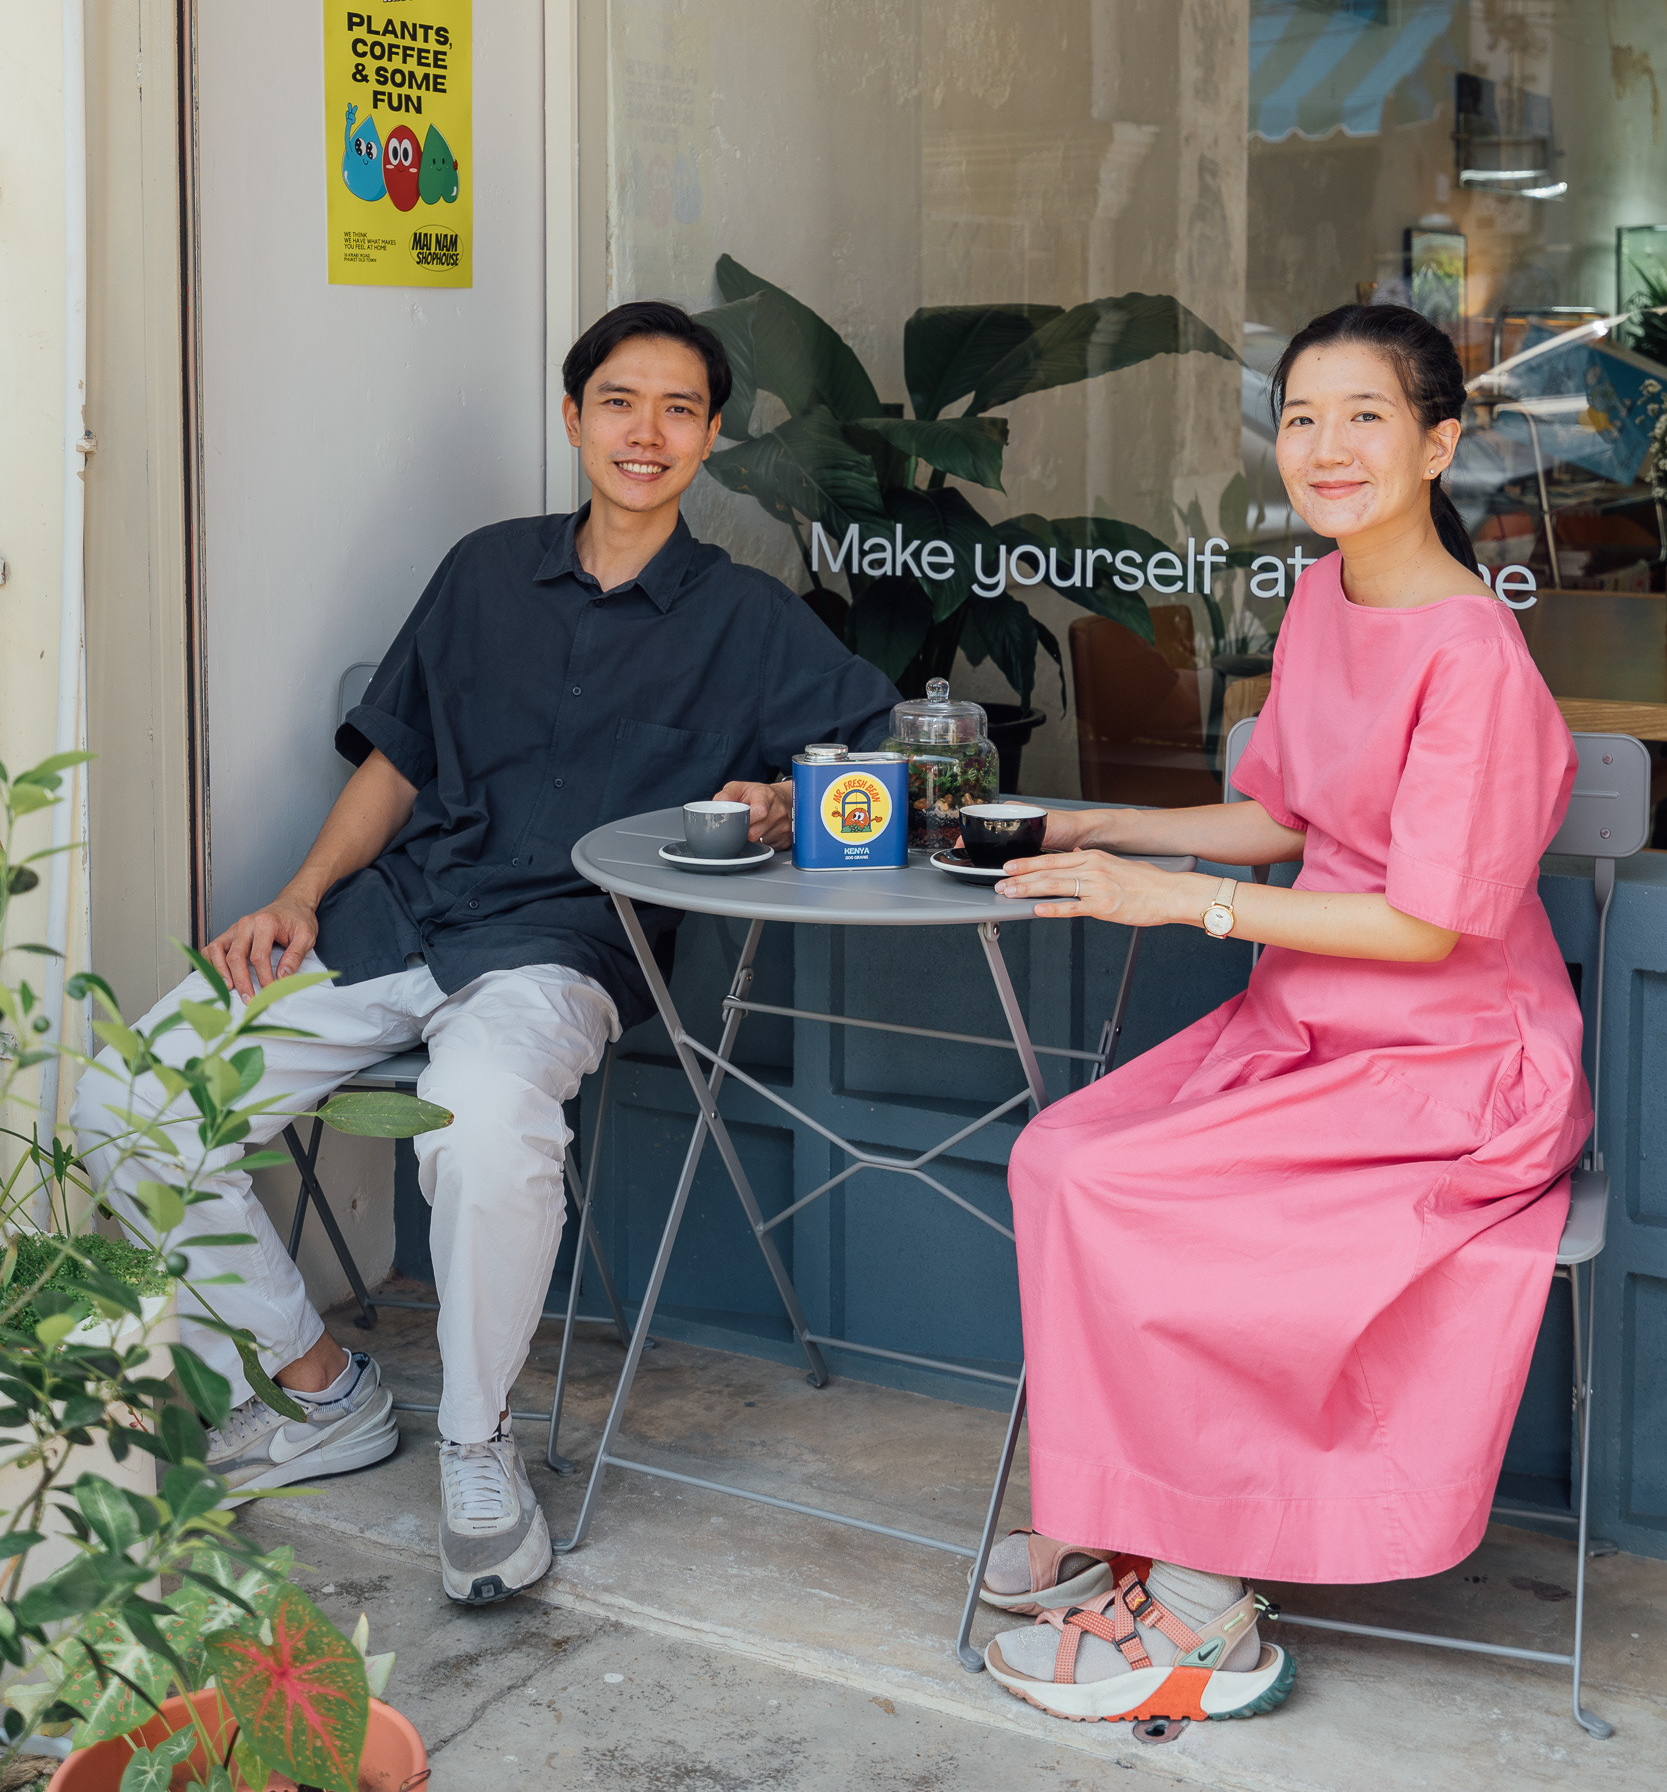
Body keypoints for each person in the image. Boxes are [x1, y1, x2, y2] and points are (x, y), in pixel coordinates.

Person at [73, 300, 895, 1606]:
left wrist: (791, 796)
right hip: (396, 914)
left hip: (560, 944)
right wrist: (297, 895)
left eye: (680, 408)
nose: (647, 431)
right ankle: (316, 1395)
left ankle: (476, 1444)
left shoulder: (744, 617)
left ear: (712, 438)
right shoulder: (483, 572)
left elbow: (869, 742)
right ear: (573, 418)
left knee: (484, 1118)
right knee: (122, 1103)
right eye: (620, 401)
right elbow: (399, 759)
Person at [972, 303, 1588, 1728]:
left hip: (1453, 1061)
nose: (1325, 446)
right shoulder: (1324, 600)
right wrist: (1091, 821)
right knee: (1061, 1159)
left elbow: (1427, 922)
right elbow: (1280, 817)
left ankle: (1200, 1609)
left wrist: (1171, 901)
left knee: (1144, 1195)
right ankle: (1129, 1517)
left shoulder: (1474, 660)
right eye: (1301, 416)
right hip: (1313, 1024)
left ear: (1441, 442)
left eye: (1365, 415)